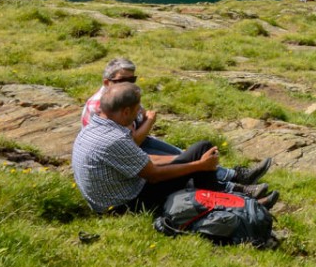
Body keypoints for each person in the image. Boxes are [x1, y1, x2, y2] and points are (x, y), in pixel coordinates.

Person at [71, 83, 278, 214]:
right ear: (125, 111)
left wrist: (188, 160)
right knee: (201, 157)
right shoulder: (114, 138)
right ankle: (242, 204)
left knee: (200, 151)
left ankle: (233, 196)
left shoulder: (94, 127)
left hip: (114, 197)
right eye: (137, 109)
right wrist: (198, 165)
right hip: (124, 206)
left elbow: (143, 160)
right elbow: (154, 175)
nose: (140, 112)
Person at [81, 59, 270, 189]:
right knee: (189, 160)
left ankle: (232, 177)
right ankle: (229, 185)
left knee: (183, 154)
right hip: (129, 150)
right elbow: (130, 145)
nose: (130, 83)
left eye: (133, 79)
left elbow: (135, 124)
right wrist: (150, 122)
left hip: (135, 141)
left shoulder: (121, 95)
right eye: (124, 80)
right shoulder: (102, 105)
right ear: (107, 81)